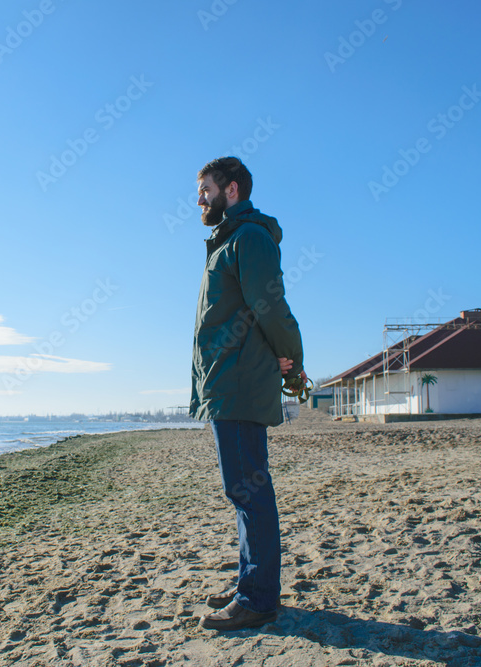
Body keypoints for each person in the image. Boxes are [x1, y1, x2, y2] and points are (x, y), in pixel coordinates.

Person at [189, 156, 306, 631]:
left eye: (205, 189)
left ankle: (258, 598)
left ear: (231, 190)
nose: (199, 198)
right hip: (227, 380)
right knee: (243, 492)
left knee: (248, 491)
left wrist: (292, 361)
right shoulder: (226, 242)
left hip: (238, 381)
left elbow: (270, 306)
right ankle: (251, 582)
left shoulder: (249, 238)